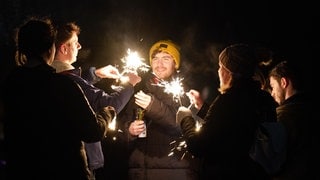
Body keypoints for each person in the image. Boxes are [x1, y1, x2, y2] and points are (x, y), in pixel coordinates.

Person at [2, 17, 110, 180]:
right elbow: (92, 131)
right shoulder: (62, 86)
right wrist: (107, 113)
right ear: (50, 49)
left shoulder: (9, 86)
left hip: (21, 171)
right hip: (64, 171)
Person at [51, 22, 141, 179]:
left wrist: (96, 74)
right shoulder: (71, 81)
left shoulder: (50, 76)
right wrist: (129, 84)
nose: (79, 46)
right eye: (75, 42)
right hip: (78, 162)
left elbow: (77, 87)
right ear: (64, 48)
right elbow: (109, 105)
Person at [176, 43, 277, 179]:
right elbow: (231, 128)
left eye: (220, 67)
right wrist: (203, 107)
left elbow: (198, 146)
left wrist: (185, 118)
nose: (218, 71)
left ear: (228, 71)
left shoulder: (227, 101)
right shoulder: (264, 99)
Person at [115, 40, 200, 180]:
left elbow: (181, 127)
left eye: (166, 59)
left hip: (174, 172)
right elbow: (119, 131)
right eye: (155, 59)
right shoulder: (139, 90)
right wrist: (129, 131)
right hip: (139, 172)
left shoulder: (185, 92)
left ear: (175, 64)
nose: (159, 64)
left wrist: (153, 106)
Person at [268, 60, 316, 180]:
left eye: (273, 86)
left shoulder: (282, 116)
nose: (272, 93)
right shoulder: (311, 109)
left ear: (283, 82)